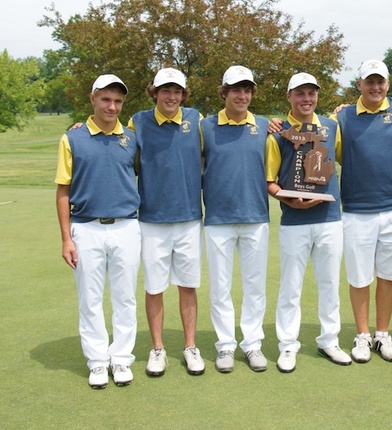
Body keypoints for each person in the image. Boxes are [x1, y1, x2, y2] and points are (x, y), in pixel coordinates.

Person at [333, 60, 392, 363]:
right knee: (359, 277)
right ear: (358, 85)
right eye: (368, 82)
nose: (375, 87)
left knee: (388, 275)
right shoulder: (343, 115)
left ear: (387, 84)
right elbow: (316, 136)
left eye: (380, 82)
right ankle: (362, 334)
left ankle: (382, 334)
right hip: (357, 210)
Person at [55, 74, 140, 388]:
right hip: (86, 228)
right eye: (106, 99)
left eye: (118, 101)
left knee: (125, 298)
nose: (112, 106)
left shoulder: (131, 138)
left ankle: (120, 360)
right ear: (93, 99)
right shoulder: (73, 138)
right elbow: (63, 190)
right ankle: (97, 361)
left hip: (127, 226)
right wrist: (66, 238)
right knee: (90, 299)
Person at [266, 72, 352, 373]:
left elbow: (343, 157)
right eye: (300, 93)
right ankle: (287, 345)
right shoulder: (277, 132)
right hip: (294, 220)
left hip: (329, 218)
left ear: (317, 96)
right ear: (289, 96)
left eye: (311, 93)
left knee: (329, 284)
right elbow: (271, 180)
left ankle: (329, 340)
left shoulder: (331, 125)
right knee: (291, 286)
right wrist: (286, 199)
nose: (306, 99)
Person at [129, 68, 205, 376]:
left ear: (183, 95)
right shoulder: (139, 122)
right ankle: (157, 349)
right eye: (165, 91)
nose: (171, 96)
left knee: (187, 286)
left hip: (188, 219)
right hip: (152, 219)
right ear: (154, 93)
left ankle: (190, 346)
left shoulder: (196, 120)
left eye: (176, 91)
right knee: (155, 287)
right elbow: (115, 140)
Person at [201, 66, 270, 373]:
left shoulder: (266, 126)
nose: (242, 96)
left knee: (255, 286)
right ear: (224, 92)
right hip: (218, 218)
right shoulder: (205, 127)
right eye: (236, 90)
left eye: (247, 90)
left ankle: (252, 344)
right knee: (220, 288)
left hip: (256, 216)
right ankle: (226, 345)